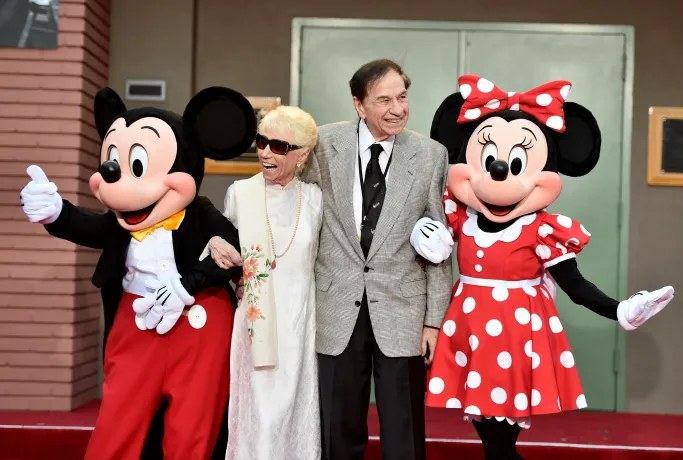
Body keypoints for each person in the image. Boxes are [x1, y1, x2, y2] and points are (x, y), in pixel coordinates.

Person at [410, 74, 675, 459]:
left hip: (515, 339)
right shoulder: (460, 216)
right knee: (489, 435)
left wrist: (618, 309)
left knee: (500, 441)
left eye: (517, 162)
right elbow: (427, 251)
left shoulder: (542, 229)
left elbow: (575, 284)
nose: (500, 172)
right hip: (469, 334)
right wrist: (421, 234)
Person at [19, 86, 255, 459]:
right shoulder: (120, 223)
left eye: (140, 166)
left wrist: (187, 283)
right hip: (135, 325)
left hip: (197, 326)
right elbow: (91, 228)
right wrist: (56, 212)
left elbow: (234, 249)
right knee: (118, 422)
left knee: (192, 429)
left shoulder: (201, 213)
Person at [297, 59, 453, 460]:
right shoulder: (324, 146)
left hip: (402, 308)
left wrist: (434, 320)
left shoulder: (431, 155)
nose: (397, 108)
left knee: (404, 431)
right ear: (358, 104)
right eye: (384, 100)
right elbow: (295, 211)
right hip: (334, 305)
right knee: (337, 428)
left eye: (402, 97)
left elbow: (439, 244)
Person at [205, 105, 322, 460]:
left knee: (295, 412)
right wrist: (214, 245)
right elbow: (220, 241)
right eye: (261, 142)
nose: (266, 152)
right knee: (258, 413)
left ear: (301, 155)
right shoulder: (241, 193)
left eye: (279, 146)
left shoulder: (316, 200)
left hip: (301, 324)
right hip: (256, 324)